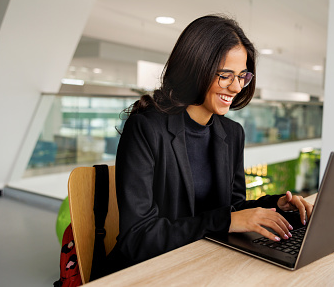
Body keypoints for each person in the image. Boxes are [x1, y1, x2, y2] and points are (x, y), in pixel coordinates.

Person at [105, 14, 313, 274]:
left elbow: (233, 210)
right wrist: (225, 221)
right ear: (195, 69)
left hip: (204, 263)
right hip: (151, 271)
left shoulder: (232, 133)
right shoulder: (146, 129)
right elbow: (138, 238)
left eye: (242, 76)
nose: (236, 87)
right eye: (225, 75)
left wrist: (276, 205)